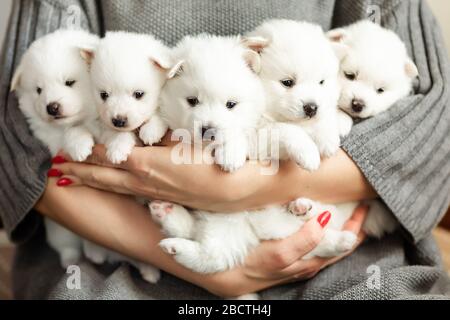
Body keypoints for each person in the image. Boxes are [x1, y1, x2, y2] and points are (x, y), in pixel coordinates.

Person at [1, 0, 449, 299]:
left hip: (339, 246)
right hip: (109, 232)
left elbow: (435, 118)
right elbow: (16, 136)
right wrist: (206, 266)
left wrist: (248, 188)